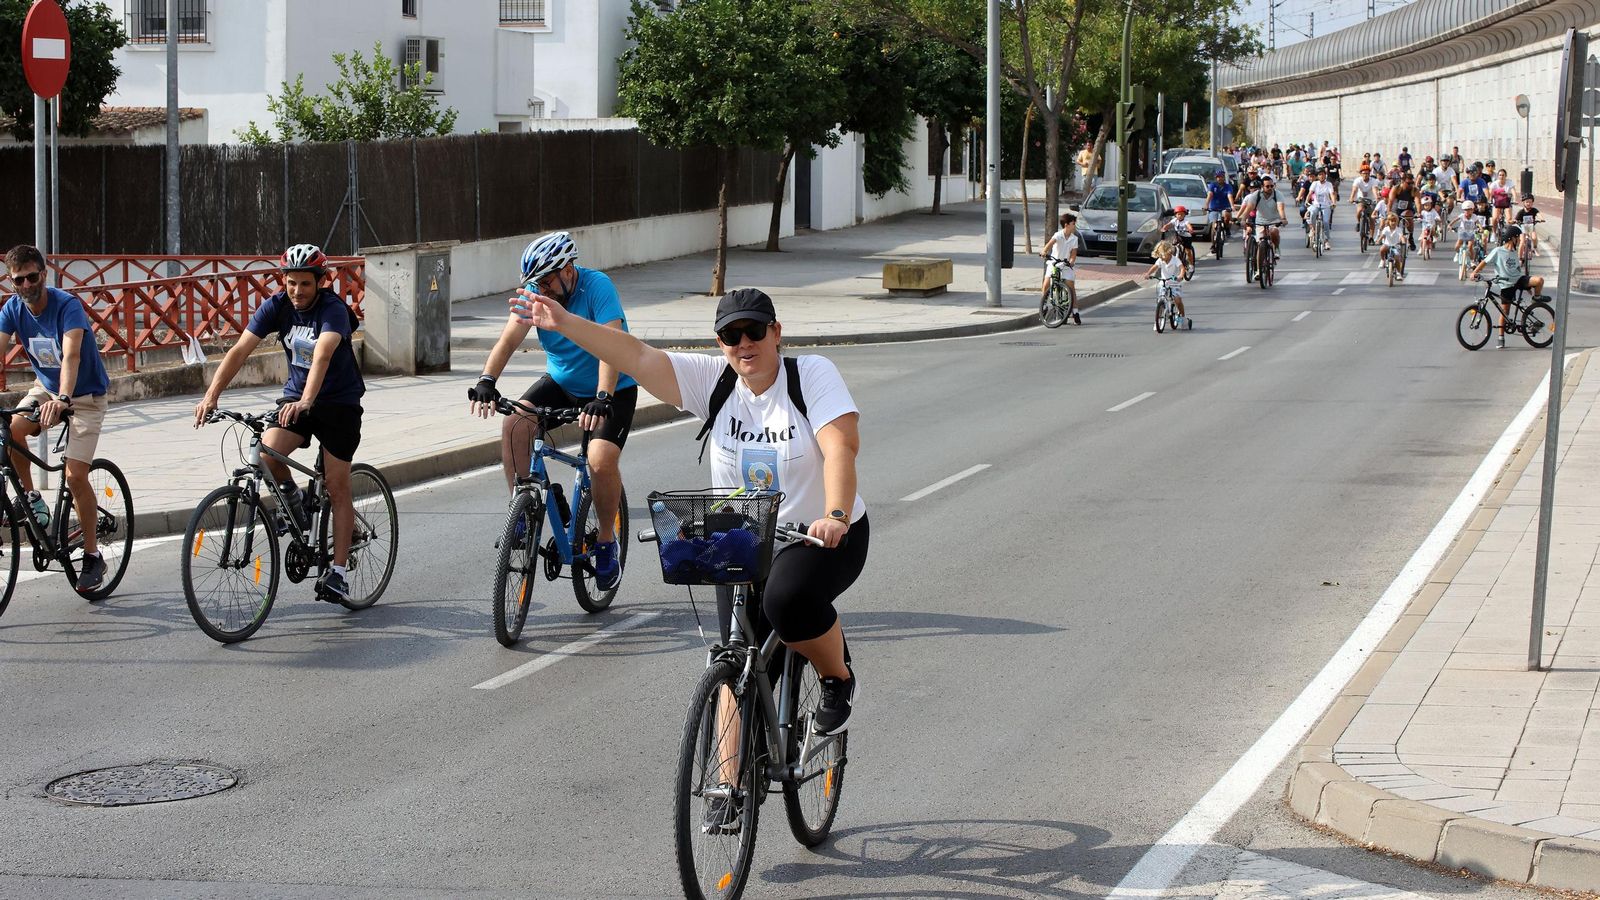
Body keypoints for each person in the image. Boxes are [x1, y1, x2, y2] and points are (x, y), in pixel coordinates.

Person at [511, 286, 869, 743]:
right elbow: (635, 357)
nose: (744, 343)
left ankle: (836, 676)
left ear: (776, 333)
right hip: (743, 540)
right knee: (736, 657)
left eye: (754, 331)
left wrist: (835, 514)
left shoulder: (811, 376)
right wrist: (563, 321)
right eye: (730, 335)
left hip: (820, 538)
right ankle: (725, 790)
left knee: (785, 601)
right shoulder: (714, 382)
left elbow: (841, 447)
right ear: (719, 343)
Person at [194, 244, 365, 602]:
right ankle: (293, 500)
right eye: (291, 283)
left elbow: (322, 354)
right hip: (297, 399)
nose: (297, 291)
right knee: (266, 452)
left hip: (338, 403)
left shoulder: (333, 310)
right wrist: (212, 395)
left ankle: (338, 572)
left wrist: (308, 399)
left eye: (305, 283)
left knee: (336, 485)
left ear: (320, 282)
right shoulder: (277, 306)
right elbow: (239, 350)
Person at [466, 231, 635, 591]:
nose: (541, 289)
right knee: (515, 423)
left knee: (600, 459)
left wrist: (603, 396)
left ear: (568, 269)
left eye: (546, 280)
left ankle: (606, 542)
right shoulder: (536, 296)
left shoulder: (597, 287)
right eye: (536, 283)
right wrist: (486, 380)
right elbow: (508, 341)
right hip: (562, 384)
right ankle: (524, 510)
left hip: (612, 387)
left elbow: (611, 347)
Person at [0, 245, 112, 593]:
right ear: (11, 282)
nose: (27, 284)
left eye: (33, 276)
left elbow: (72, 355)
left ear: (44, 275)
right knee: (12, 431)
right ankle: (33, 501)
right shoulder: (12, 308)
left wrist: (64, 399)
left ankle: (93, 556)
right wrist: (53, 396)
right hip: (46, 390)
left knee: (75, 474)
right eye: (19, 280)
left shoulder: (67, 306)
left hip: (85, 397)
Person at [1471, 225, 1545, 348]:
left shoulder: (1514, 252)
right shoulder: (1498, 251)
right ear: (1512, 238)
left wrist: (1527, 287)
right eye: (1518, 238)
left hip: (1519, 280)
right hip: (1506, 284)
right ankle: (1501, 338)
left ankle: (1536, 299)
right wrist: (1475, 272)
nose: (1519, 240)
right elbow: (1484, 262)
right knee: (1505, 312)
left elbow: (1517, 270)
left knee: (1539, 280)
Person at [1238, 175, 1288, 260]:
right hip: (1260, 222)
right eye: (1267, 186)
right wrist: (1243, 219)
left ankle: (1276, 248)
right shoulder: (1256, 195)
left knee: (1274, 232)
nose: (1270, 188)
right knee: (1259, 244)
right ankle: (1259, 269)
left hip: (1274, 221)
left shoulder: (1278, 194)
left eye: (1272, 186)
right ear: (1262, 187)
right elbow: (1249, 208)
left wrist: (1283, 219)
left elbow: (1280, 208)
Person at [1039, 212, 1080, 312]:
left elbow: (1073, 254)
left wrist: (1071, 261)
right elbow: (1049, 244)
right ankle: (1044, 305)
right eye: (1073, 223)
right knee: (1046, 284)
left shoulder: (1074, 239)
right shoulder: (1058, 235)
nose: (1075, 226)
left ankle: (1075, 312)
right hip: (1054, 263)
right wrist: (1044, 251)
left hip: (1066, 265)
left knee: (1071, 287)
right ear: (1066, 225)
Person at [1145, 241, 1186, 327]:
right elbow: (1155, 267)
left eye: (1163, 256)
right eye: (1160, 256)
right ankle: (1158, 321)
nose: (1162, 258)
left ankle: (1182, 317)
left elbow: (1182, 268)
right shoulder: (1161, 260)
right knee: (1160, 300)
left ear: (1169, 252)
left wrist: (1180, 276)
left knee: (1177, 300)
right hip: (1163, 282)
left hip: (1174, 283)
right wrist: (1148, 274)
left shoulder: (1175, 260)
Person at [1303, 167, 1338, 250]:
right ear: (1317, 176)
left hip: (1326, 206)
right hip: (1316, 205)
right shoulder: (1315, 183)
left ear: (1325, 175)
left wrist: (1333, 203)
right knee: (1312, 213)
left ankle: (1326, 241)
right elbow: (1310, 193)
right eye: (1319, 175)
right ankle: (1313, 230)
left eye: (1322, 174)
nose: (1321, 176)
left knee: (1326, 222)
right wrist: (1307, 201)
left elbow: (1332, 194)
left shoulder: (1328, 184)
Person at [1348, 164, 1382, 238]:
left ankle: (1371, 237)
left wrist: (1377, 197)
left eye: (1367, 173)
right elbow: (1354, 190)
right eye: (1364, 173)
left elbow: (1374, 189)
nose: (1365, 175)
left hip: (1371, 200)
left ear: (1370, 174)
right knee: (1359, 210)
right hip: (1361, 199)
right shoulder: (1358, 180)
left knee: (1372, 218)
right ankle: (1358, 222)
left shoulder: (1373, 181)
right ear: (1361, 174)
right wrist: (1351, 198)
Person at [1162, 206, 1196, 274]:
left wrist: (1190, 229)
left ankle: (1191, 265)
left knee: (1188, 251)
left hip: (1187, 237)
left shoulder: (1186, 221)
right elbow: (1168, 225)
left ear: (1184, 215)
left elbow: (1189, 226)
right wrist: (1164, 228)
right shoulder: (1174, 220)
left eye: (1182, 214)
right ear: (1175, 215)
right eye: (1178, 214)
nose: (1180, 216)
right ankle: (1175, 256)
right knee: (1173, 246)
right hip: (1179, 236)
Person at [1377, 212, 1406, 280]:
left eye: (1395, 221)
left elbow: (1401, 236)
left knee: (1397, 258)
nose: (1393, 223)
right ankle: (1382, 260)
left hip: (1395, 246)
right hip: (1387, 244)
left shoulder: (1398, 229)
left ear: (1397, 222)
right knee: (1382, 249)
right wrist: (1378, 240)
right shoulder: (1386, 229)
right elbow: (1382, 235)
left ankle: (1398, 273)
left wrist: (1403, 241)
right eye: (1391, 221)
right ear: (1388, 222)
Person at [1206, 170, 1235, 235]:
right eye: (1218, 177)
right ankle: (1214, 237)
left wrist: (1232, 206)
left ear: (1224, 177)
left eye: (1221, 177)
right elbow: (1210, 195)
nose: (1219, 178)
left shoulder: (1228, 186)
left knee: (1227, 216)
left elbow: (1229, 196)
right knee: (1214, 222)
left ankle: (1227, 228)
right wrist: (1206, 205)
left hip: (1225, 207)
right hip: (1214, 207)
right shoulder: (1212, 185)